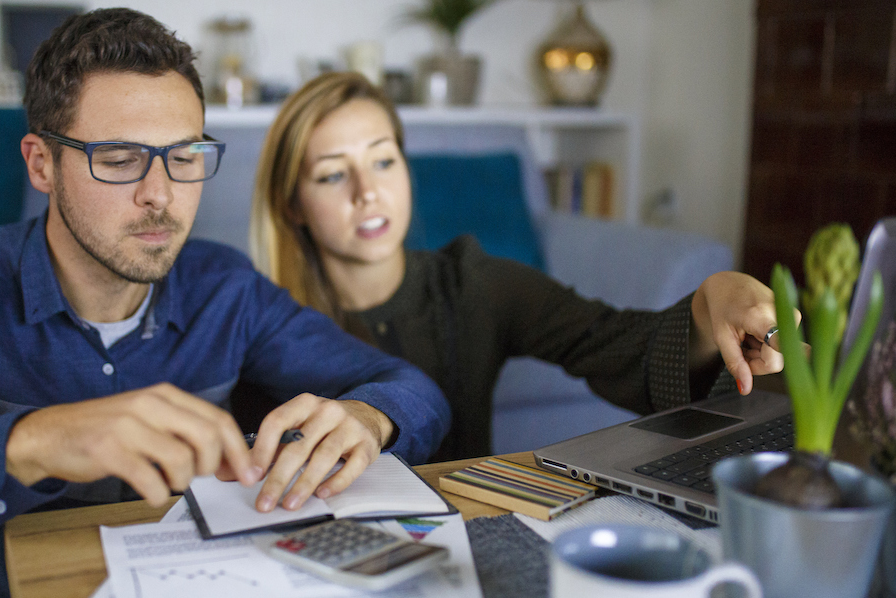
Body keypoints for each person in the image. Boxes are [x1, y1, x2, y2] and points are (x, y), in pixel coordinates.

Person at [0, 11, 448, 598]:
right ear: (42, 164)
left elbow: (411, 388)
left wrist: (368, 417)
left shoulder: (227, 288)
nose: (161, 195)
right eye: (119, 159)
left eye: (185, 156)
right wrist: (30, 443)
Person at [247, 71, 788, 462]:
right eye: (331, 175)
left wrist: (709, 299)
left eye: (383, 161)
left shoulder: (476, 284)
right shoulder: (262, 319)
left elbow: (627, 349)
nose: (368, 193)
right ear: (292, 203)